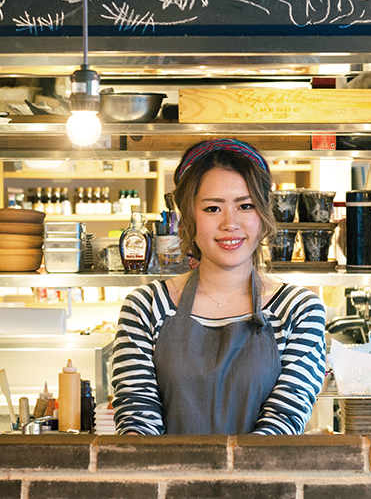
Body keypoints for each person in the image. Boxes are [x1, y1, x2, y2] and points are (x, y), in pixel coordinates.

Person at [111, 138, 327, 435]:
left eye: (246, 206)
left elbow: (282, 424)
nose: (230, 223)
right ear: (188, 217)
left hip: (262, 478)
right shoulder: (146, 307)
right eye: (213, 208)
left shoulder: (298, 310)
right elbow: (137, 422)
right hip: (163, 478)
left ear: (264, 215)